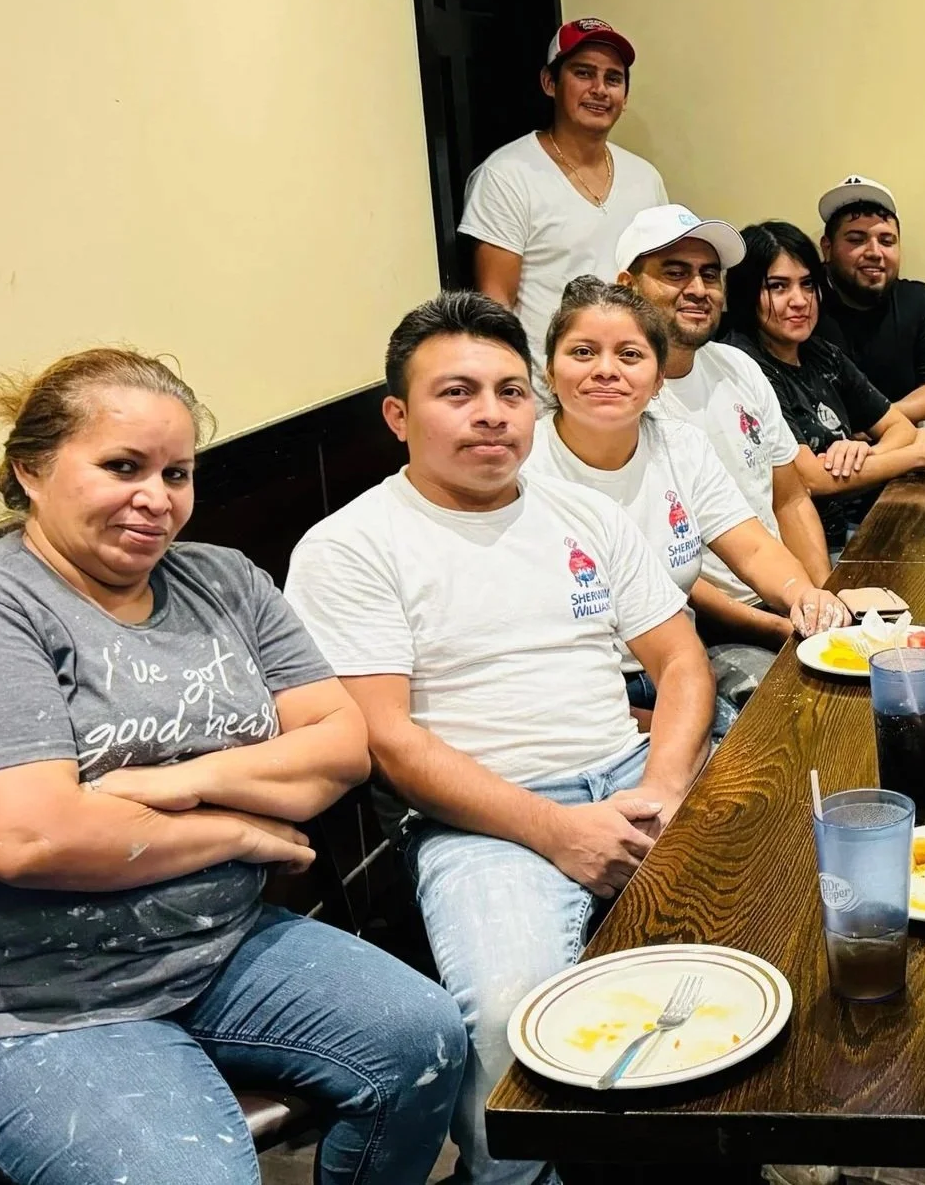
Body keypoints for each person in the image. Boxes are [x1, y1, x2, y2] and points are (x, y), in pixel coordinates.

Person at [0, 349, 462, 1185]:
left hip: (215, 949)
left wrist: (179, 783)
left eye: (177, 473)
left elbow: (339, 744)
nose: (157, 497)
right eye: (122, 467)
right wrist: (239, 835)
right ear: (31, 470)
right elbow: (29, 839)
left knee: (422, 1039)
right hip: (20, 1006)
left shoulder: (223, 580)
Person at [284, 294, 714, 1185]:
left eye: (511, 392)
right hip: (482, 819)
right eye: (457, 393)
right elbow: (386, 739)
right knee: (509, 1021)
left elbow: (681, 662)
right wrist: (558, 831)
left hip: (633, 774)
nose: (491, 414)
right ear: (398, 415)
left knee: (779, 927)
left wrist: (666, 788)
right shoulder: (351, 545)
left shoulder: (583, 514)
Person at [529, 274, 854, 717]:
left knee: (822, 710)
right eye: (583, 352)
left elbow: (753, 548)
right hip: (575, 695)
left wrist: (804, 595)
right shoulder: (523, 467)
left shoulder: (681, 446)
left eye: (629, 355)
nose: (606, 369)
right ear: (550, 371)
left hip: (679, 670)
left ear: (659, 378)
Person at [614, 205, 835, 702]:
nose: (698, 289)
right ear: (627, 286)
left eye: (709, 275)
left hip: (779, 595)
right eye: (675, 273)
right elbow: (673, 574)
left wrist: (821, 597)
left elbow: (789, 498)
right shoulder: (623, 403)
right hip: (705, 629)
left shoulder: (737, 366)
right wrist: (780, 627)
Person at [725, 221, 925, 548]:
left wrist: (865, 452)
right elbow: (810, 479)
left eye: (807, 284)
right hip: (788, 552)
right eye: (778, 287)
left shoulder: (820, 353)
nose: (799, 300)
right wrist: (919, 454)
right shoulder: (742, 365)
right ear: (746, 294)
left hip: (846, 533)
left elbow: (899, 426)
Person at [462, 18, 669, 378]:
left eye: (613, 79)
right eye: (584, 73)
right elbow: (496, 308)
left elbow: (659, 289)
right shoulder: (506, 174)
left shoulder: (646, 178)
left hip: (630, 388)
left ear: (625, 97)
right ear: (549, 82)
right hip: (546, 393)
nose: (599, 89)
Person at [809, 176, 925, 422]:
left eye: (886, 241)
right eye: (856, 240)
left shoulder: (918, 301)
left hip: (906, 438)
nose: (874, 253)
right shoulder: (804, 305)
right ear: (827, 248)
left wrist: (880, 424)